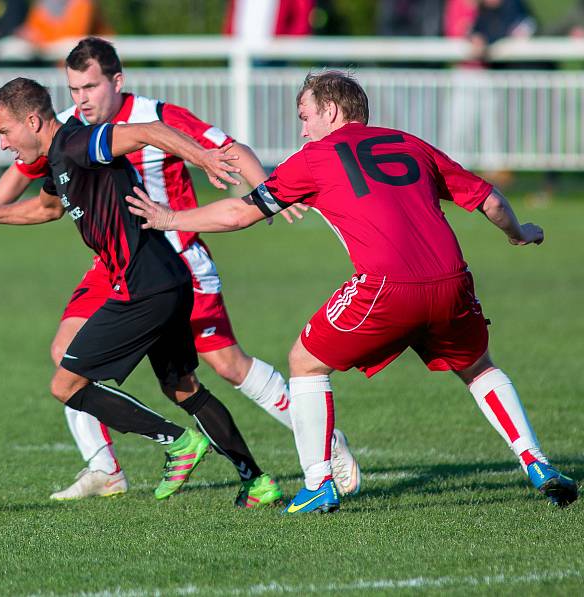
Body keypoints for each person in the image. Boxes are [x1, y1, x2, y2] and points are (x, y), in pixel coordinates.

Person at [127, 71, 578, 514]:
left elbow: (238, 215)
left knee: (304, 362)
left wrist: (169, 219)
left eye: (305, 116)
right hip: (453, 281)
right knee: (478, 368)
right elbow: (492, 201)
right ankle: (535, 460)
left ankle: (318, 483)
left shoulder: (315, 157)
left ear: (331, 109)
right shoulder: (409, 142)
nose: (302, 129)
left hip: (386, 287)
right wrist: (519, 233)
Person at [0, 37, 361, 502]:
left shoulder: (128, 123)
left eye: (89, 87)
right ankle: (122, 470)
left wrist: (265, 191)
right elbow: (37, 195)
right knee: (99, 363)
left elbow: (214, 145)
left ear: (116, 81)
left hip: (170, 256)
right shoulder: (64, 132)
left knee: (221, 365)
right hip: (120, 265)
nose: (81, 98)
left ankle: (308, 441)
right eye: (73, 89)